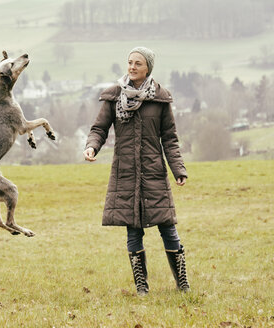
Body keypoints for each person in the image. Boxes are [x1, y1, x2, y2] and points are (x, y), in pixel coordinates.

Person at [83, 47, 190, 296]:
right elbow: (99, 129)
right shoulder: (113, 97)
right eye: (130, 62)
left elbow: (170, 139)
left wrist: (178, 170)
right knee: (133, 229)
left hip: (154, 173)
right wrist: (91, 147)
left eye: (138, 63)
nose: (132, 67)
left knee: (168, 227)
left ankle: (183, 284)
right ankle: (142, 287)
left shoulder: (160, 99)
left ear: (148, 68)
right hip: (126, 174)